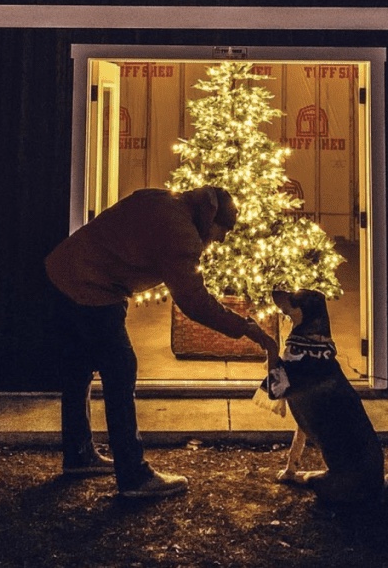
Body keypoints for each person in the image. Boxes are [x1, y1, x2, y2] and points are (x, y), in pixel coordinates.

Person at [45, 185, 278, 499]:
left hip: (62, 273)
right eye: (222, 231)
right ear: (210, 219)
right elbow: (194, 301)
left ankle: (78, 454)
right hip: (93, 289)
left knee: (78, 371)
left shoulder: (162, 199)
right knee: (121, 372)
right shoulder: (180, 234)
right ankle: (133, 475)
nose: (221, 240)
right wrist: (245, 326)